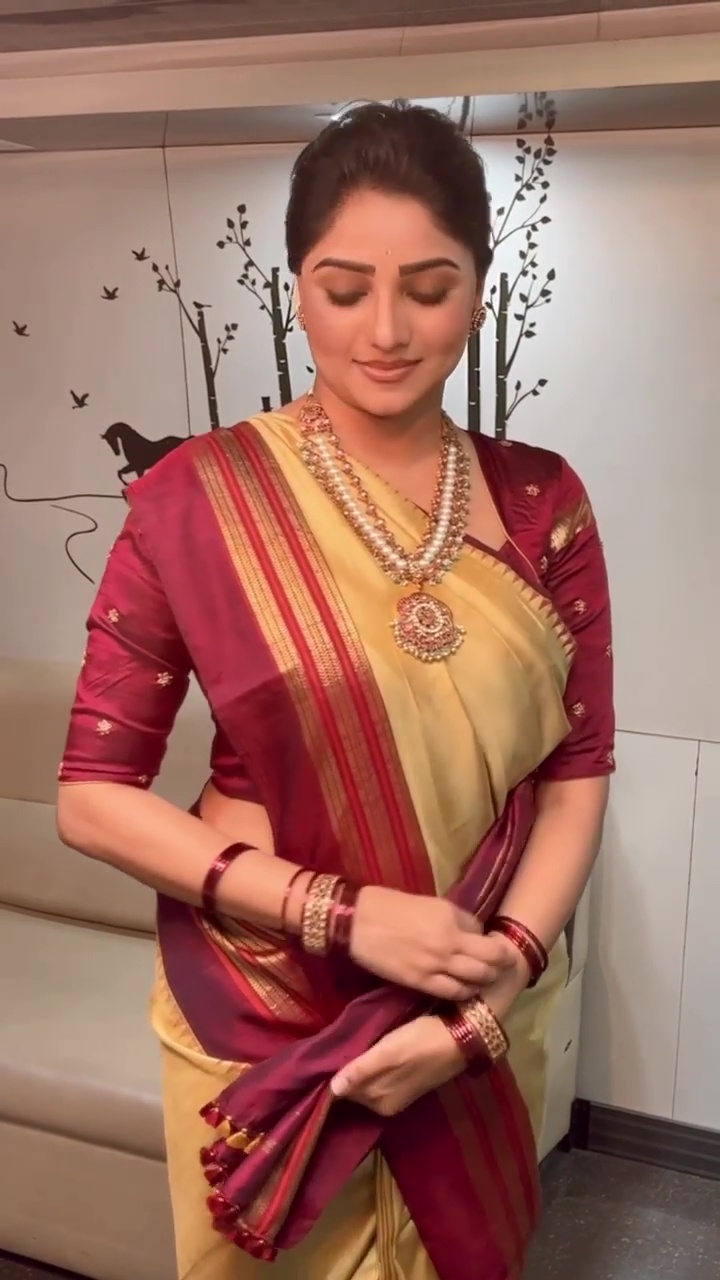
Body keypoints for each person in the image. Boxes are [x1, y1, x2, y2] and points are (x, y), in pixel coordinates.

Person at [57, 101, 614, 1280]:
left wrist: (488, 997)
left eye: (431, 286)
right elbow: (93, 796)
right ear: (298, 291)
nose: (388, 329)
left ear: (479, 291)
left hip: (475, 987)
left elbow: (575, 769)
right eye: (345, 287)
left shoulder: (542, 503)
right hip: (264, 998)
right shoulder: (195, 501)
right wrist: (348, 915)